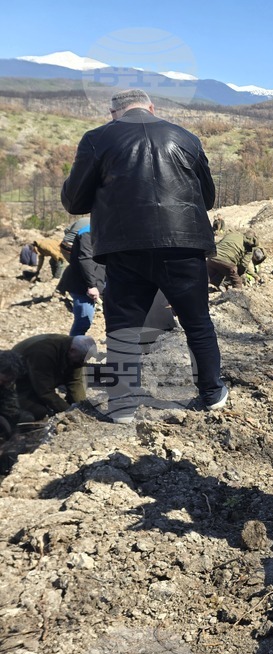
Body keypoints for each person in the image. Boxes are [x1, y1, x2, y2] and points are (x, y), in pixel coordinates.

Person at [61, 88, 226, 424]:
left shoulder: (97, 139)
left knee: (123, 328)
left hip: (125, 247)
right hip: (184, 243)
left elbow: (74, 202)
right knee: (197, 322)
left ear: (113, 113)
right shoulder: (186, 137)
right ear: (152, 108)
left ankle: (123, 406)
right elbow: (206, 197)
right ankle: (212, 393)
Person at [11, 334, 94, 420]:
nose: (83, 362)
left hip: (37, 375)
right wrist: (69, 411)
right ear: (72, 351)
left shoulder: (75, 351)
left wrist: (80, 408)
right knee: (39, 411)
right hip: (18, 382)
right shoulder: (43, 353)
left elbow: (76, 382)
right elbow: (45, 391)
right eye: (82, 358)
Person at [56, 221, 105, 336]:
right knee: (83, 322)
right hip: (82, 285)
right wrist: (92, 285)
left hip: (99, 279)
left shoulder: (110, 231)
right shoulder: (87, 232)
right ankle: (72, 349)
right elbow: (85, 259)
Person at [0, 351, 30, 440]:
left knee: (27, 417)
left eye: (8, 382)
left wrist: (13, 431)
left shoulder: (7, 383)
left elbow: (11, 407)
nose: (5, 384)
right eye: (3, 380)